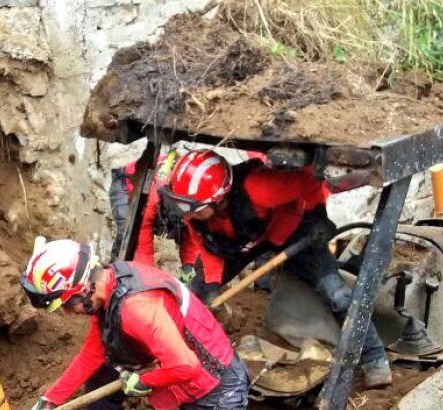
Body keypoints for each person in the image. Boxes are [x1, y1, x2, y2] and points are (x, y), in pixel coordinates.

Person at [151, 149, 392, 389]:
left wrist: (318, 216)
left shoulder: (260, 188)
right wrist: (212, 287)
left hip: (292, 231)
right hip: (245, 242)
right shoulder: (198, 216)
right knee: (197, 293)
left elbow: (308, 182)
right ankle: (190, 358)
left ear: (218, 198)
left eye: (192, 206)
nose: (187, 213)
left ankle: (374, 358)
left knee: (337, 295)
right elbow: (209, 249)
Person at [19, 238, 249, 410]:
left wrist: (144, 381)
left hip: (214, 385)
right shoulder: (111, 287)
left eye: (68, 305)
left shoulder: (136, 309)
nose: (70, 313)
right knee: (101, 372)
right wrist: (50, 401)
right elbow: (93, 353)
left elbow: (186, 366)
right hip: (179, 364)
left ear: (84, 288)